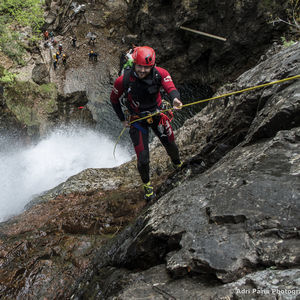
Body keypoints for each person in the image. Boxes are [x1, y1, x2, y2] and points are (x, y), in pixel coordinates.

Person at [110, 46, 183, 201]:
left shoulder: (160, 74)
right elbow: (114, 100)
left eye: (146, 67)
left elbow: (170, 87)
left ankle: (178, 165)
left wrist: (175, 99)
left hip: (157, 113)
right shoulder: (123, 80)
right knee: (143, 158)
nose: (142, 70)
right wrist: (122, 119)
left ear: (153, 66)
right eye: (140, 66)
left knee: (171, 145)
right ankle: (147, 186)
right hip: (137, 119)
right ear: (134, 63)